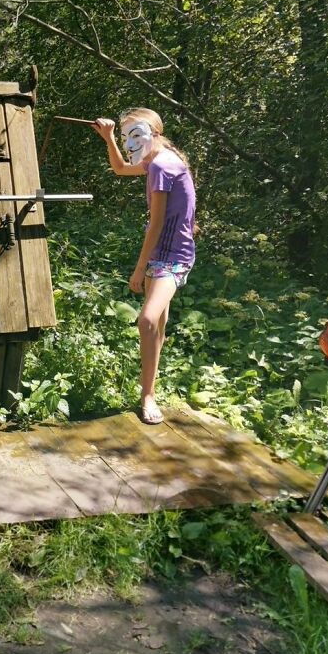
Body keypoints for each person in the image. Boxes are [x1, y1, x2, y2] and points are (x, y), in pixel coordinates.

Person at [91, 108, 196, 425]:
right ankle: (150, 389)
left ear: (155, 131)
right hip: (161, 253)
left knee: (148, 321)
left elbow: (157, 222)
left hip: (173, 256)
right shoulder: (157, 159)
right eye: (126, 136)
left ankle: (147, 395)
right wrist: (108, 138)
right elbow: (122, 168)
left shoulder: (162, 165)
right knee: (157, 327)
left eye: (134, 133)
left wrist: (139, 270)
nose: (129, 141)